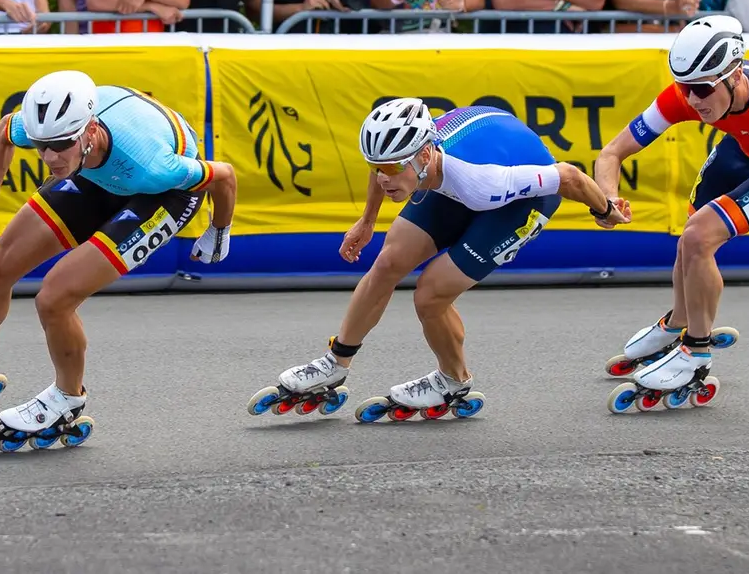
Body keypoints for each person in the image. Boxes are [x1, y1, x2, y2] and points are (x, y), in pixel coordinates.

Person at [248, 98, 630, 421]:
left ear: (425, 153)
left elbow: (569, 177)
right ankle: (336, 363)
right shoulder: (407, 158)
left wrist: (606, 210)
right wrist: (366, 221)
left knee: (430, 295)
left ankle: (453, 378)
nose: (385, 176)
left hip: (515, 198)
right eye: (379, 166)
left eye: (396, 167)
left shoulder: (484, 182)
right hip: (451, 176)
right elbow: (383, 166)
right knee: (386, 264)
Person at [0, 70, 236, 452]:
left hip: (161, 192)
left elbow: (225, 176)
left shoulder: (153, 164)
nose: (49, 158)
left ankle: (68, 397)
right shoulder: (58, 134)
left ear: (90, 128)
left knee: (54, 297)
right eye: (41, 146)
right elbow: (3, 131)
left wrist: (219, 230)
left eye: (60, 145)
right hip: (94, 171)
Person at [594, 15, 749, 399]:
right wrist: (607, 198)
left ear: (735, 76)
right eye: (685, 87)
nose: (693, 100)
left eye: (703, 89)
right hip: (742, 150)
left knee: (699, 237)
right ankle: (678, 321)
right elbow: (612, 153)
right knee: (689, 239)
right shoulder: (685, 97)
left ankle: (696, 349)